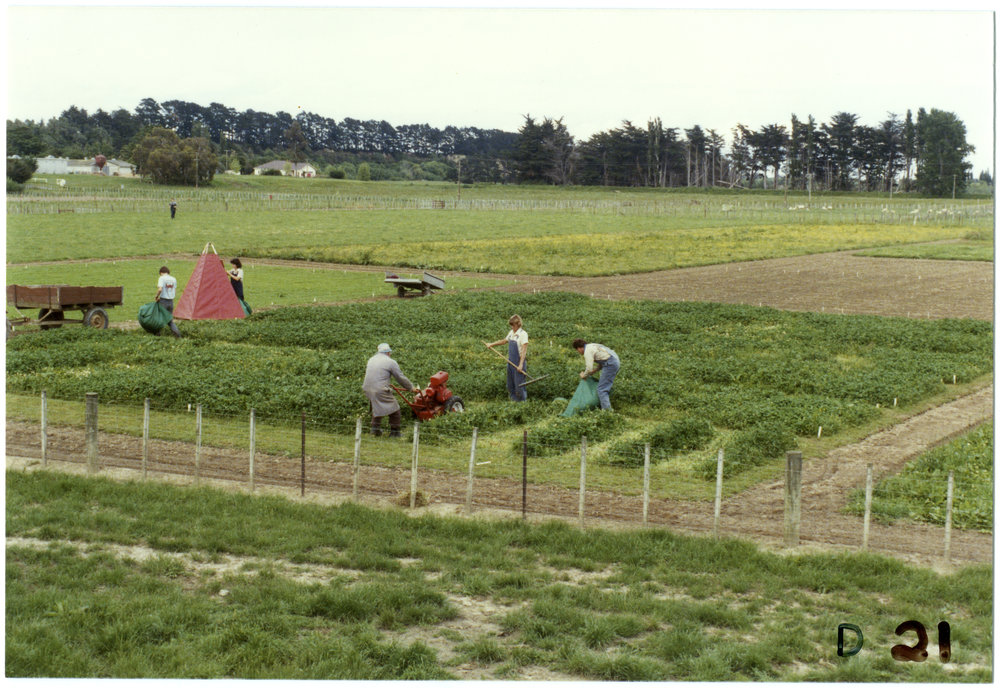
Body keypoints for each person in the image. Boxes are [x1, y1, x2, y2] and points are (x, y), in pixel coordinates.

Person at [362, 343, 418, 437]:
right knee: (395, 409)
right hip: (379, 389)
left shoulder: (372, 359)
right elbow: (400, 377)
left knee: (377, 407)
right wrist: (411, 388)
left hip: (367, 388)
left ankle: (375, 430)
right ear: (388, 352)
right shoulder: (390, 362)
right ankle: (395, 432)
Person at [485, 314, 529, 402]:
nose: (512, 327)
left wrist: (520, 365)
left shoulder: (523, 334)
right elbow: (504, 341)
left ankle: (522, 404)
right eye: (511, 325)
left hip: (518, 363)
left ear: (518, 324)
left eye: (513, 325)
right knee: (510, 385)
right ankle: (513, 402)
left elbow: (524, 351)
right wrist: (491, 344)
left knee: (519, 385)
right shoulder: (511, 333)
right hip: (511, 362)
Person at [573, 338, 620, 411]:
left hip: (611, 364)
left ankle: (607, 412)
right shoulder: (592, 345)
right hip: (614, 361)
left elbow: (589, 368)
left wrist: (584, 375)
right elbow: (603, 359)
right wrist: (594, 370)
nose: (578, 352)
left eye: (577, 350)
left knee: (602, 389)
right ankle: (605, 406)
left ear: (579, 348)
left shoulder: (587, 351)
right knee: (604, 386)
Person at [155, 266, 182, 338]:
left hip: (163, 301)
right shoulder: (173, 279)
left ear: (160, 272)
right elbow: (175, 290)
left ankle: (157, 336)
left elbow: (160, 289)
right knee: (169, 320)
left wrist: (157, 296)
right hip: (171, 301)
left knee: (159, 318)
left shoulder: (161, 278)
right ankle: (178, 335)